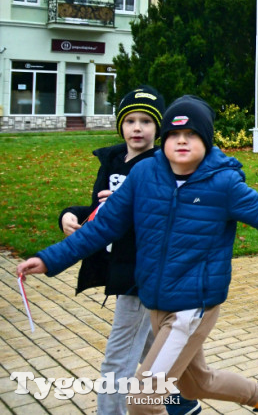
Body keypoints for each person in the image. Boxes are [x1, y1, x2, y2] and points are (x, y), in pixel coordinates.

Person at [18, 96, 258, 415]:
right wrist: (49, 259)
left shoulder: (223, 184)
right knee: (195, 385)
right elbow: (99, 228)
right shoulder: (143, 177)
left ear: (207, 141)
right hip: (156, 303)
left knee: (143, 400)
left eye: (192, 135)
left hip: (191, 308)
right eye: (174, 134)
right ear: (164, 140)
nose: (182, 141)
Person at [56, 87, 201, 415]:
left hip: (143, 272)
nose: (137, 128)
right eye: (130, 121)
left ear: (159, 129)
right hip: (119, 268)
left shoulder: (163, 166)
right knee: (151, 343)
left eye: (147, 122)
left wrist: (128, 208)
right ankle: (182, 396)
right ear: (120, 126)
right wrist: (70, 214)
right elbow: (98, 206)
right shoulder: (113, 160)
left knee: (117, 359)